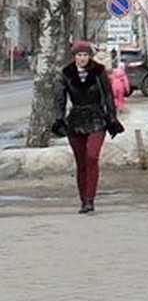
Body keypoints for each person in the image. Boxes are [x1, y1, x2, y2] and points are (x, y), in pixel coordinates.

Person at [51, 40, 124, 213]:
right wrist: (59, 119)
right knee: (81, 162)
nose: (82, 58)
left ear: (89, 56)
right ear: (74, 56)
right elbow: (60, 99)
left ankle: (90, 199)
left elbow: (108, 95)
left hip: (97, 118)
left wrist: (112, 118)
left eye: (85, 55)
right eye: (79, 55)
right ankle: (83, 200)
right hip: (75, 120)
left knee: (92, 157)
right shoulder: (66, 73)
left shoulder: (98, 72)